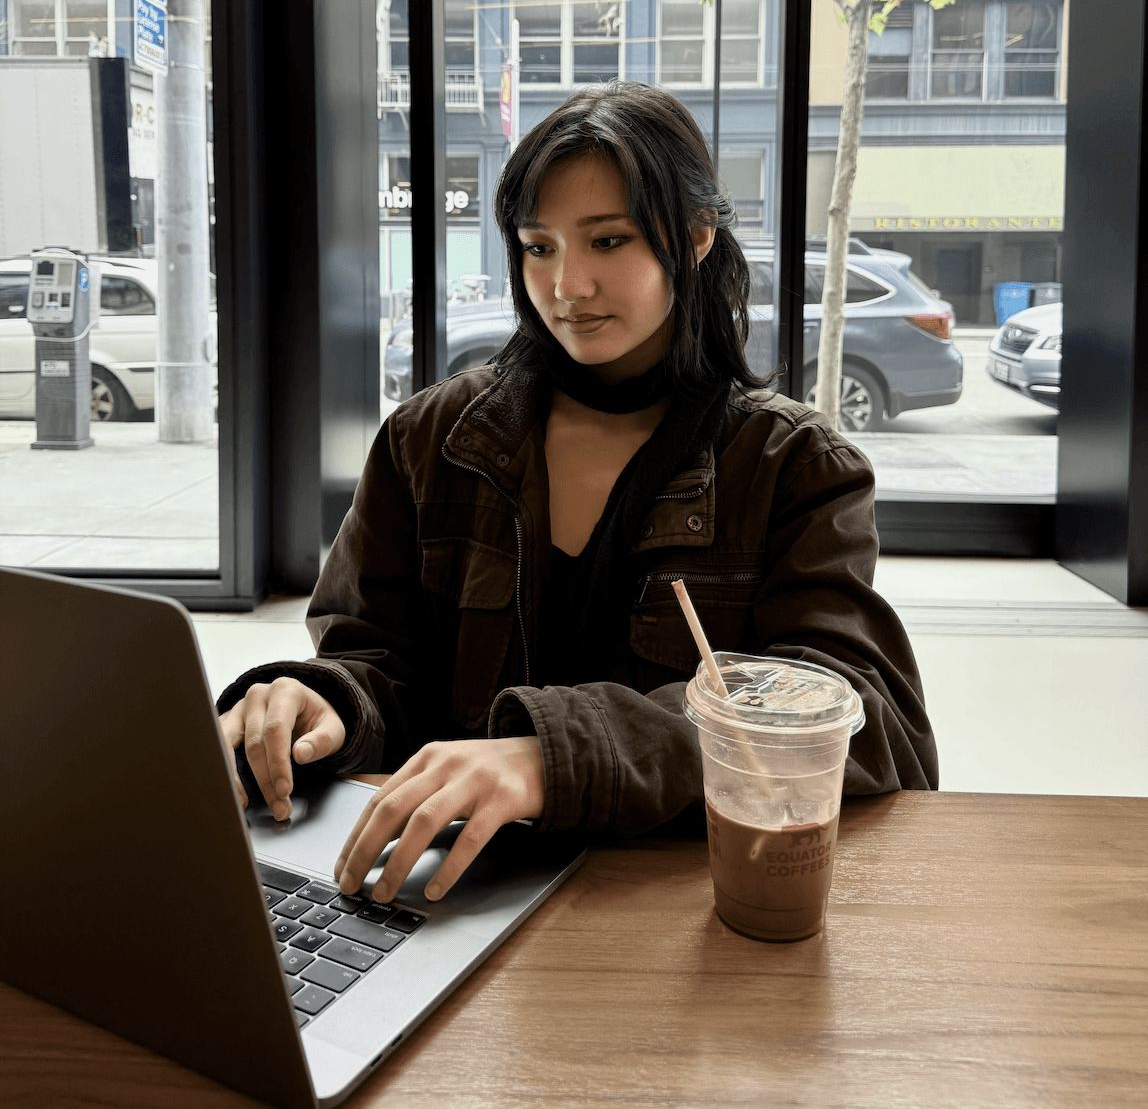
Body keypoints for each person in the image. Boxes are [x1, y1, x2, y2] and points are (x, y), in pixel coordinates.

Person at [217, 83, 938, 908]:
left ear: (697, 236)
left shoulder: (794, 464)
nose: (566, 286)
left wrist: (551, 757)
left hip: (678, 903)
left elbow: (865, 720)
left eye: (608, 241)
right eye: (538, 247)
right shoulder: (429, 441)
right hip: (445, 894)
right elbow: (377, 660)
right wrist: (325, 699)